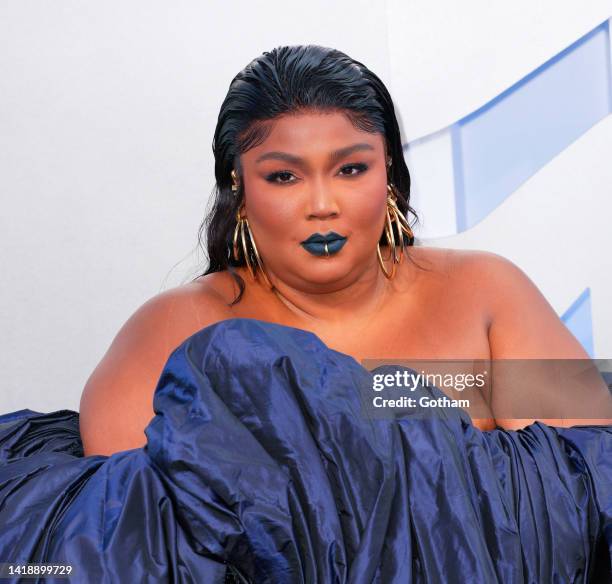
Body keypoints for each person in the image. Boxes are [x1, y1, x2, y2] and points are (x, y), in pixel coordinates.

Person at [78, 44, 610, 457]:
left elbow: (583, 484)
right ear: (239, 192)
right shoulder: (175, 331)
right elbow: (141, 538)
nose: (322, 204)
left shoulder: (486, 293)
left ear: (391, 178)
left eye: (351, 169)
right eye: (284, 176)